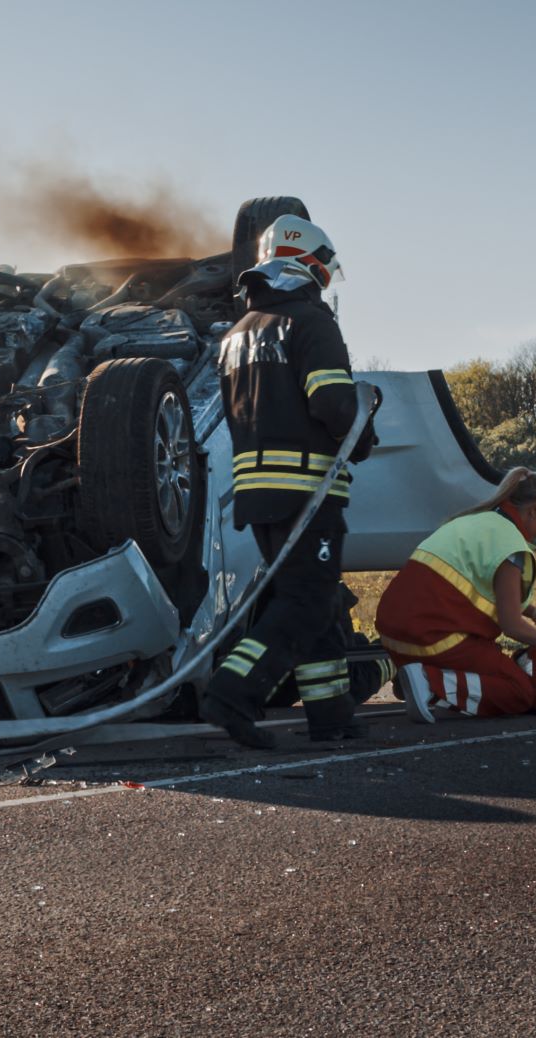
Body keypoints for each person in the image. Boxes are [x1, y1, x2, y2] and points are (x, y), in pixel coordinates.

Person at [198, 215, 380, 748]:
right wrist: (363, 432)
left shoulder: (237, 335)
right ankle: (231, 693)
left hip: (256, 492)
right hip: (307, 489)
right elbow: (331, 401)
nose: (325, 282)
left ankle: (331, 717)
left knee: (314, 604)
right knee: (305, 602)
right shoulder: (310, 322)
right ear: (307, 265)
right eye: (324, 271)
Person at [373, 468, 536, 722]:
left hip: (393, 634)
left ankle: (414, 676)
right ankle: (429, 683)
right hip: (431, 639)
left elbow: (487, 586)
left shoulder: (476, 521)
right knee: (519, 691)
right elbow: (512, 627)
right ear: (533, 510)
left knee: (493, 660)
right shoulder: (511, 548)